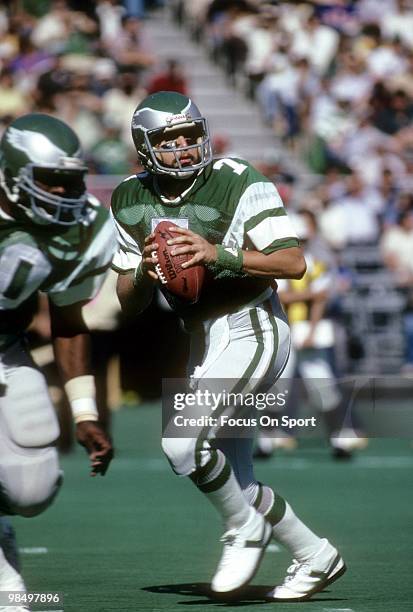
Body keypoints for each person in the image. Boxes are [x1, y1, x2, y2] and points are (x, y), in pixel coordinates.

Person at [111, 91, 346, 602]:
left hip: (252, 324)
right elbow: (126, 300)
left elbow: (291, 263)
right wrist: (144, 274)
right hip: (200, 336)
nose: (184, 148)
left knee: (181, 443)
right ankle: (315, 555)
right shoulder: (129, 197)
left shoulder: (239, 178)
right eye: (169, 141)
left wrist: (218, 253)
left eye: (190, 136)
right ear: (144, 146)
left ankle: (243, 529)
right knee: (235, 480)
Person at [0, 113, 116, 609]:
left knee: (33, 489)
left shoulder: (80, 228)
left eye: (72, 181)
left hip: (5, 350)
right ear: (11, 171)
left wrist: (85, 412)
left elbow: (69, 320)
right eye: (51, 180)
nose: (65, 193)